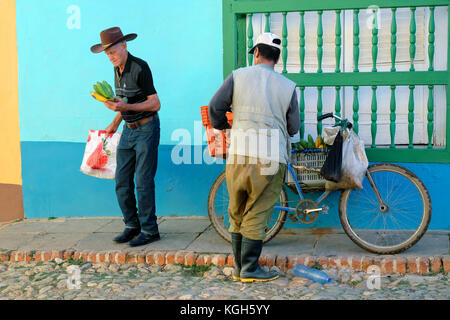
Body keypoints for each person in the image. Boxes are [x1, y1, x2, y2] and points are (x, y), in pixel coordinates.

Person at [208, 32, 300, 282]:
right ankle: (250, 269)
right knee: (257, 211)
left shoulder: (238, 76)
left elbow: (215, 107)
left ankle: (240, 269)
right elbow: (293, 128)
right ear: (277, 59)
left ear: (256, 53)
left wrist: (224, 126)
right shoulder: (288, 87)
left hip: (239, 153)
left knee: (236, 209)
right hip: (271, 157)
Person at [90, 27, 161, 247]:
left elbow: (155, 103)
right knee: (121, 181)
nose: (110, 56)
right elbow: (122, 103)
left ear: (124, 45)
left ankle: (150, 230)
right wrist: (113, 124)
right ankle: (132, 225)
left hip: (147, 128)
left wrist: (127, 106)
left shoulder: (140, 67)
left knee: (142, 181)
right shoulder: (117, 69)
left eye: (113, 51)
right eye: (107, 53)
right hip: (128, 130)